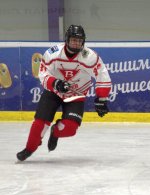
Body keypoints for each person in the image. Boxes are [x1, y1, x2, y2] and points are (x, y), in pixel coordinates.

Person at [17, 25, 112, 161]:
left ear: (83, 42)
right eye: (73, 40)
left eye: (79, 41)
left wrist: (102, 98)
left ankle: (55, 132)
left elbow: (102, 75)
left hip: (76, 95)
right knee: (39, 123)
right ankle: (29, 149)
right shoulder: (53, 53)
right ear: (67, 40)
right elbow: (43, 73)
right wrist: (55, 83)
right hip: (53, 92)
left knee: (70, 129)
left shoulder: (90, 57)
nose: (76, 43)